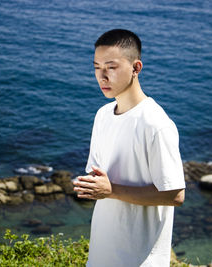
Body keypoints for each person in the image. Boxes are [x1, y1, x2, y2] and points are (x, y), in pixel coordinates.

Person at [73, 29, 186, 267]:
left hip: (140, 260)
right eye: (96, 67)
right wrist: (92, 186)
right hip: (101, 255)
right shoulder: (103, 115)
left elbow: (176, 194)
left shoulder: (156, 124)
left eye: (111, 68)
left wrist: (111, 190)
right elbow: (102, 178)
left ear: (136, 68)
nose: (101, 76)